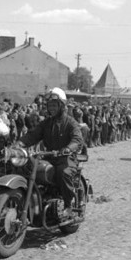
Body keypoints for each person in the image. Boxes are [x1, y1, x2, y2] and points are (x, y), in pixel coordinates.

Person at [20, 87, 84, 218]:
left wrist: (68, 148)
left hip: (66, 158)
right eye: (50, 105)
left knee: (63, 173)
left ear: (62, 106)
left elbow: (77, 139)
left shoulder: (71, 122)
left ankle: (68, 205)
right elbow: (32, 136)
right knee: (29, 169)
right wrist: (18, 144)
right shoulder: (46, 123)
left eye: (54, 105)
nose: (51, 108)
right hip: (48, 157)